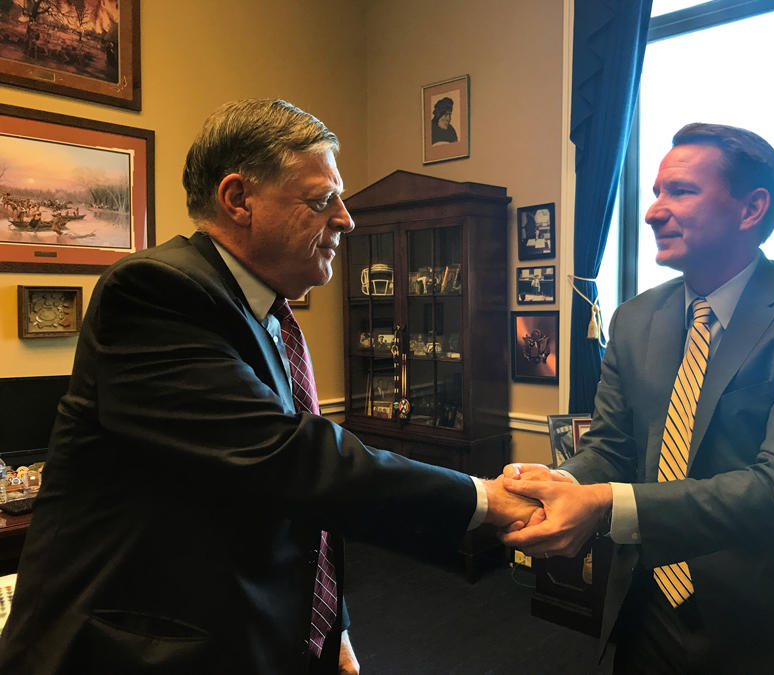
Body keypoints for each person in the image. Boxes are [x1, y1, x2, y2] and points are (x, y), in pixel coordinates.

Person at [0, 99, 537, 675]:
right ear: (239, 200)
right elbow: (288, 457)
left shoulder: (268, 317)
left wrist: (335, 628)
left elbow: (291, 496)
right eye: (321, 199)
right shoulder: (155, 293)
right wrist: (486, 499)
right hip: (136, 650)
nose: (346, 219)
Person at [501, 123, 774, 673]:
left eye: (680, 192)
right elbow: (612, 447)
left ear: (751, 208)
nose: (653, 211)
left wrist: (604, 505)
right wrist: (564, 481)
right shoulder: (635, 319)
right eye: (656, 192)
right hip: (651, 611)